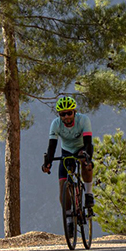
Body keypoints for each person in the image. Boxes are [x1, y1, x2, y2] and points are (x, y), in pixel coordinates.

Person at [42, 96, 95, 225]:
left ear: (74, 112)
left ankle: (88, 193)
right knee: (63, 185)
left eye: (69, 113)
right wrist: (47, 163)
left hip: (82, 147)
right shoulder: (56, 124)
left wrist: (88, 158)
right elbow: (52, 146)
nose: (66, 117)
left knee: (85, 163)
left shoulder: (83, 120)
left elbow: (88, 143)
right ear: (59, 115)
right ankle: (69, 218)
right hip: (67, 151)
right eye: (62, 114)